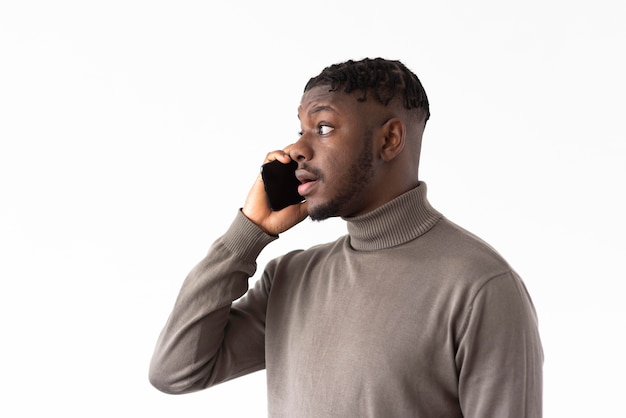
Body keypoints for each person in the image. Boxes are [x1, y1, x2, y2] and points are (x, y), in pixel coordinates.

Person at [149, 57, 543, 417]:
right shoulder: (291, 278)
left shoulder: (480, 288)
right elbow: (176, 370)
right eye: (300, 130)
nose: (295, 149)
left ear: (389, 140)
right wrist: (247, 235)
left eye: (322, 128)